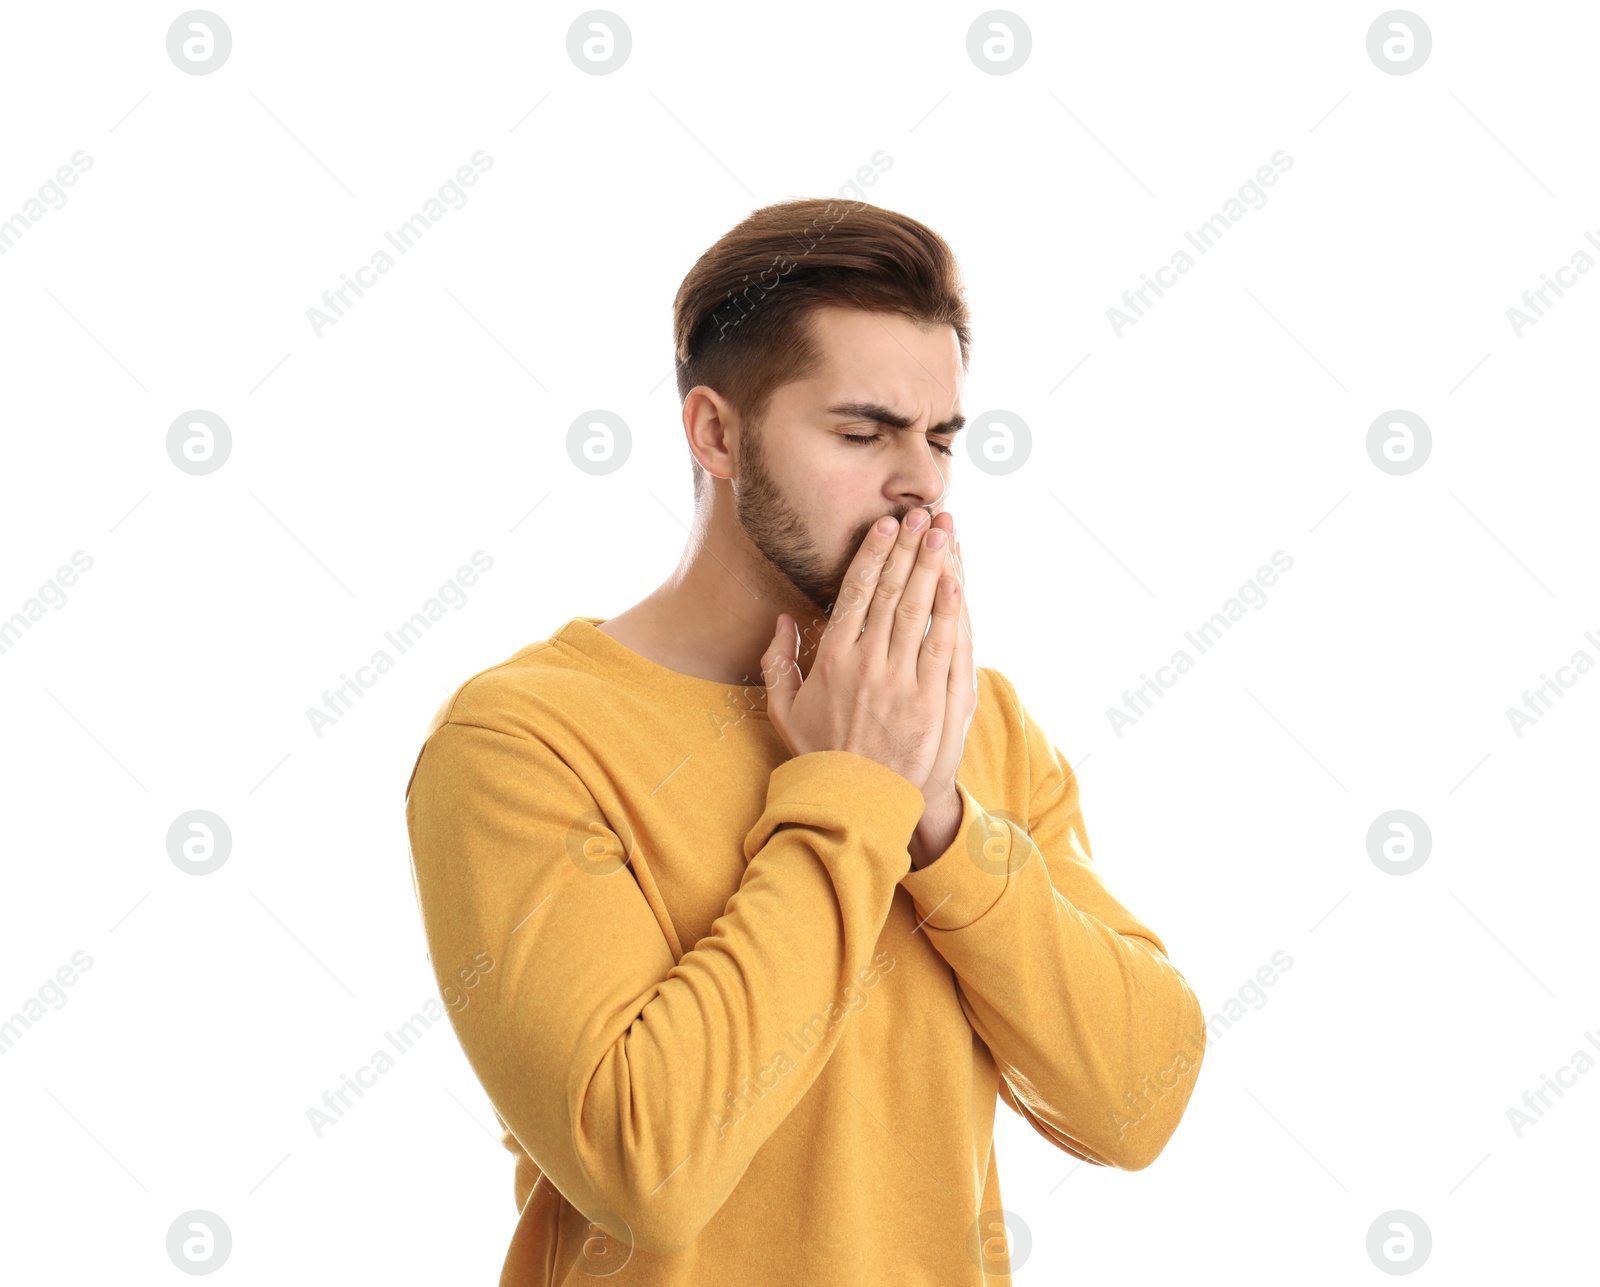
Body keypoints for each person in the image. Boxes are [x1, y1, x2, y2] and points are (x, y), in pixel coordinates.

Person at [403, 197, 1206, 1285]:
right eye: (862, 431)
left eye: (938, 438)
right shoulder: (524, 739)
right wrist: (856, 790)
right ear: (715, 434)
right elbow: (646, 1166)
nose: (917, 479)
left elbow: (1136, 1102)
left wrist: (939, 822)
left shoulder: (976, 721)